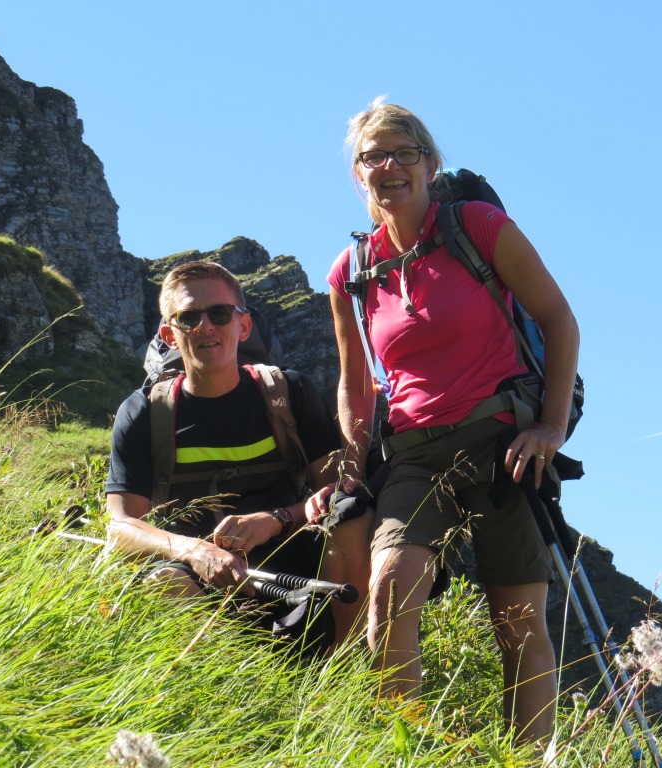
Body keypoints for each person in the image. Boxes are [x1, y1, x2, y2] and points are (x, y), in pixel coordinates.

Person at [308, 98, 580, 744]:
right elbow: (355, 382)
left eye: (404, 153)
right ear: (357, 174)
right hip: (413, 454)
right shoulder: (350, 272)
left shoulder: (478, 227)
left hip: (504, 443)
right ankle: (407, 749)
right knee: (388, 588)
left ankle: (525, 759)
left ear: (430, 164)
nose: (389, 167)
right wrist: (352, 458)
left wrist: (550, 427)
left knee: (518, 621)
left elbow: (558, 319)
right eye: (373, 157)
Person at [106, 261, 369, 648]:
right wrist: (195, 551)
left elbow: (335, 496)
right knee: (163, 582)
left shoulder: (290, 393)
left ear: (243, 326)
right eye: (189, 317)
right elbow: (122, 527)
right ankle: (235, 675)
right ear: (169, 335)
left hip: (296, 569)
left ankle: (344, 663)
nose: (206, 326)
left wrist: (277, 520)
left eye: (219, 313)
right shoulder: (144, 412)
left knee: (353, 516)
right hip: (197, 579)